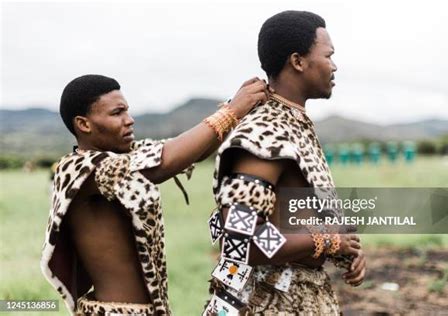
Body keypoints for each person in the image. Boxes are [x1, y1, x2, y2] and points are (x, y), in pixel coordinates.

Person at [40, 74, 270, 315]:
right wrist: (230, 112)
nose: (129, 120)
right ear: (84, 124)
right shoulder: (79, 168)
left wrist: (234, 110)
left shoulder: (126, 155)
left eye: (127, 111)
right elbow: (164, 163)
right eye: (117, 113)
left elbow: (189, 152)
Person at [204, 11, 366, 315]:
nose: (334, 65)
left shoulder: (294, 125)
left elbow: (298, 213)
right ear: (298, 61)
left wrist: (348, 248)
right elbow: (244, 241)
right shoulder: (263, 135)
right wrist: (330, 242)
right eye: (328, 55)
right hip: (268, 303)